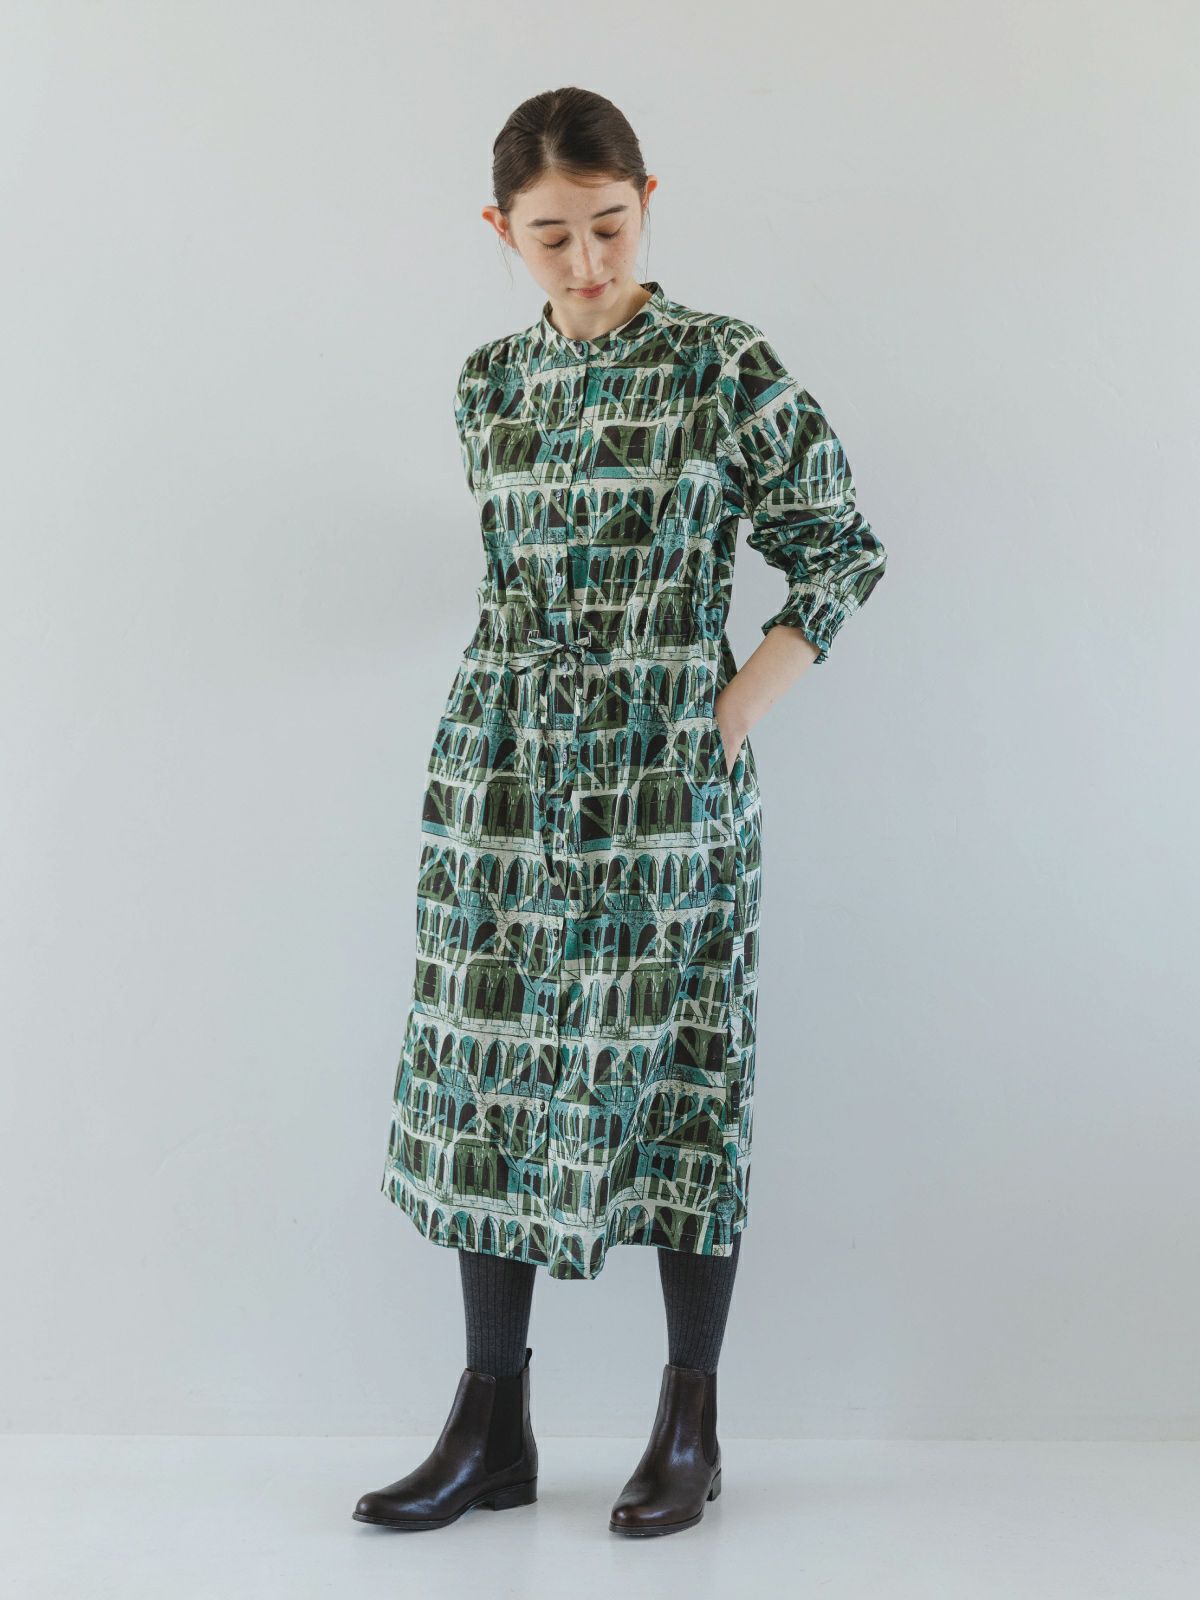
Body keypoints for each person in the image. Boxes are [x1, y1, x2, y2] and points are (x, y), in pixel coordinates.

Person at [354, 86, 887, 1538]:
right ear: (500, 231)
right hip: (500, 779)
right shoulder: (487, 384)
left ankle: (689, 1424)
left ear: (649, 201)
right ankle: (492, 1425)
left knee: (684, 1074)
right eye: (551, 237)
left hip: (666, 786)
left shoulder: (723, 366)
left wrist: (729, 711)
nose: (586, 262)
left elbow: (841, 551)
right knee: (479, 1077)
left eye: (609, 226)